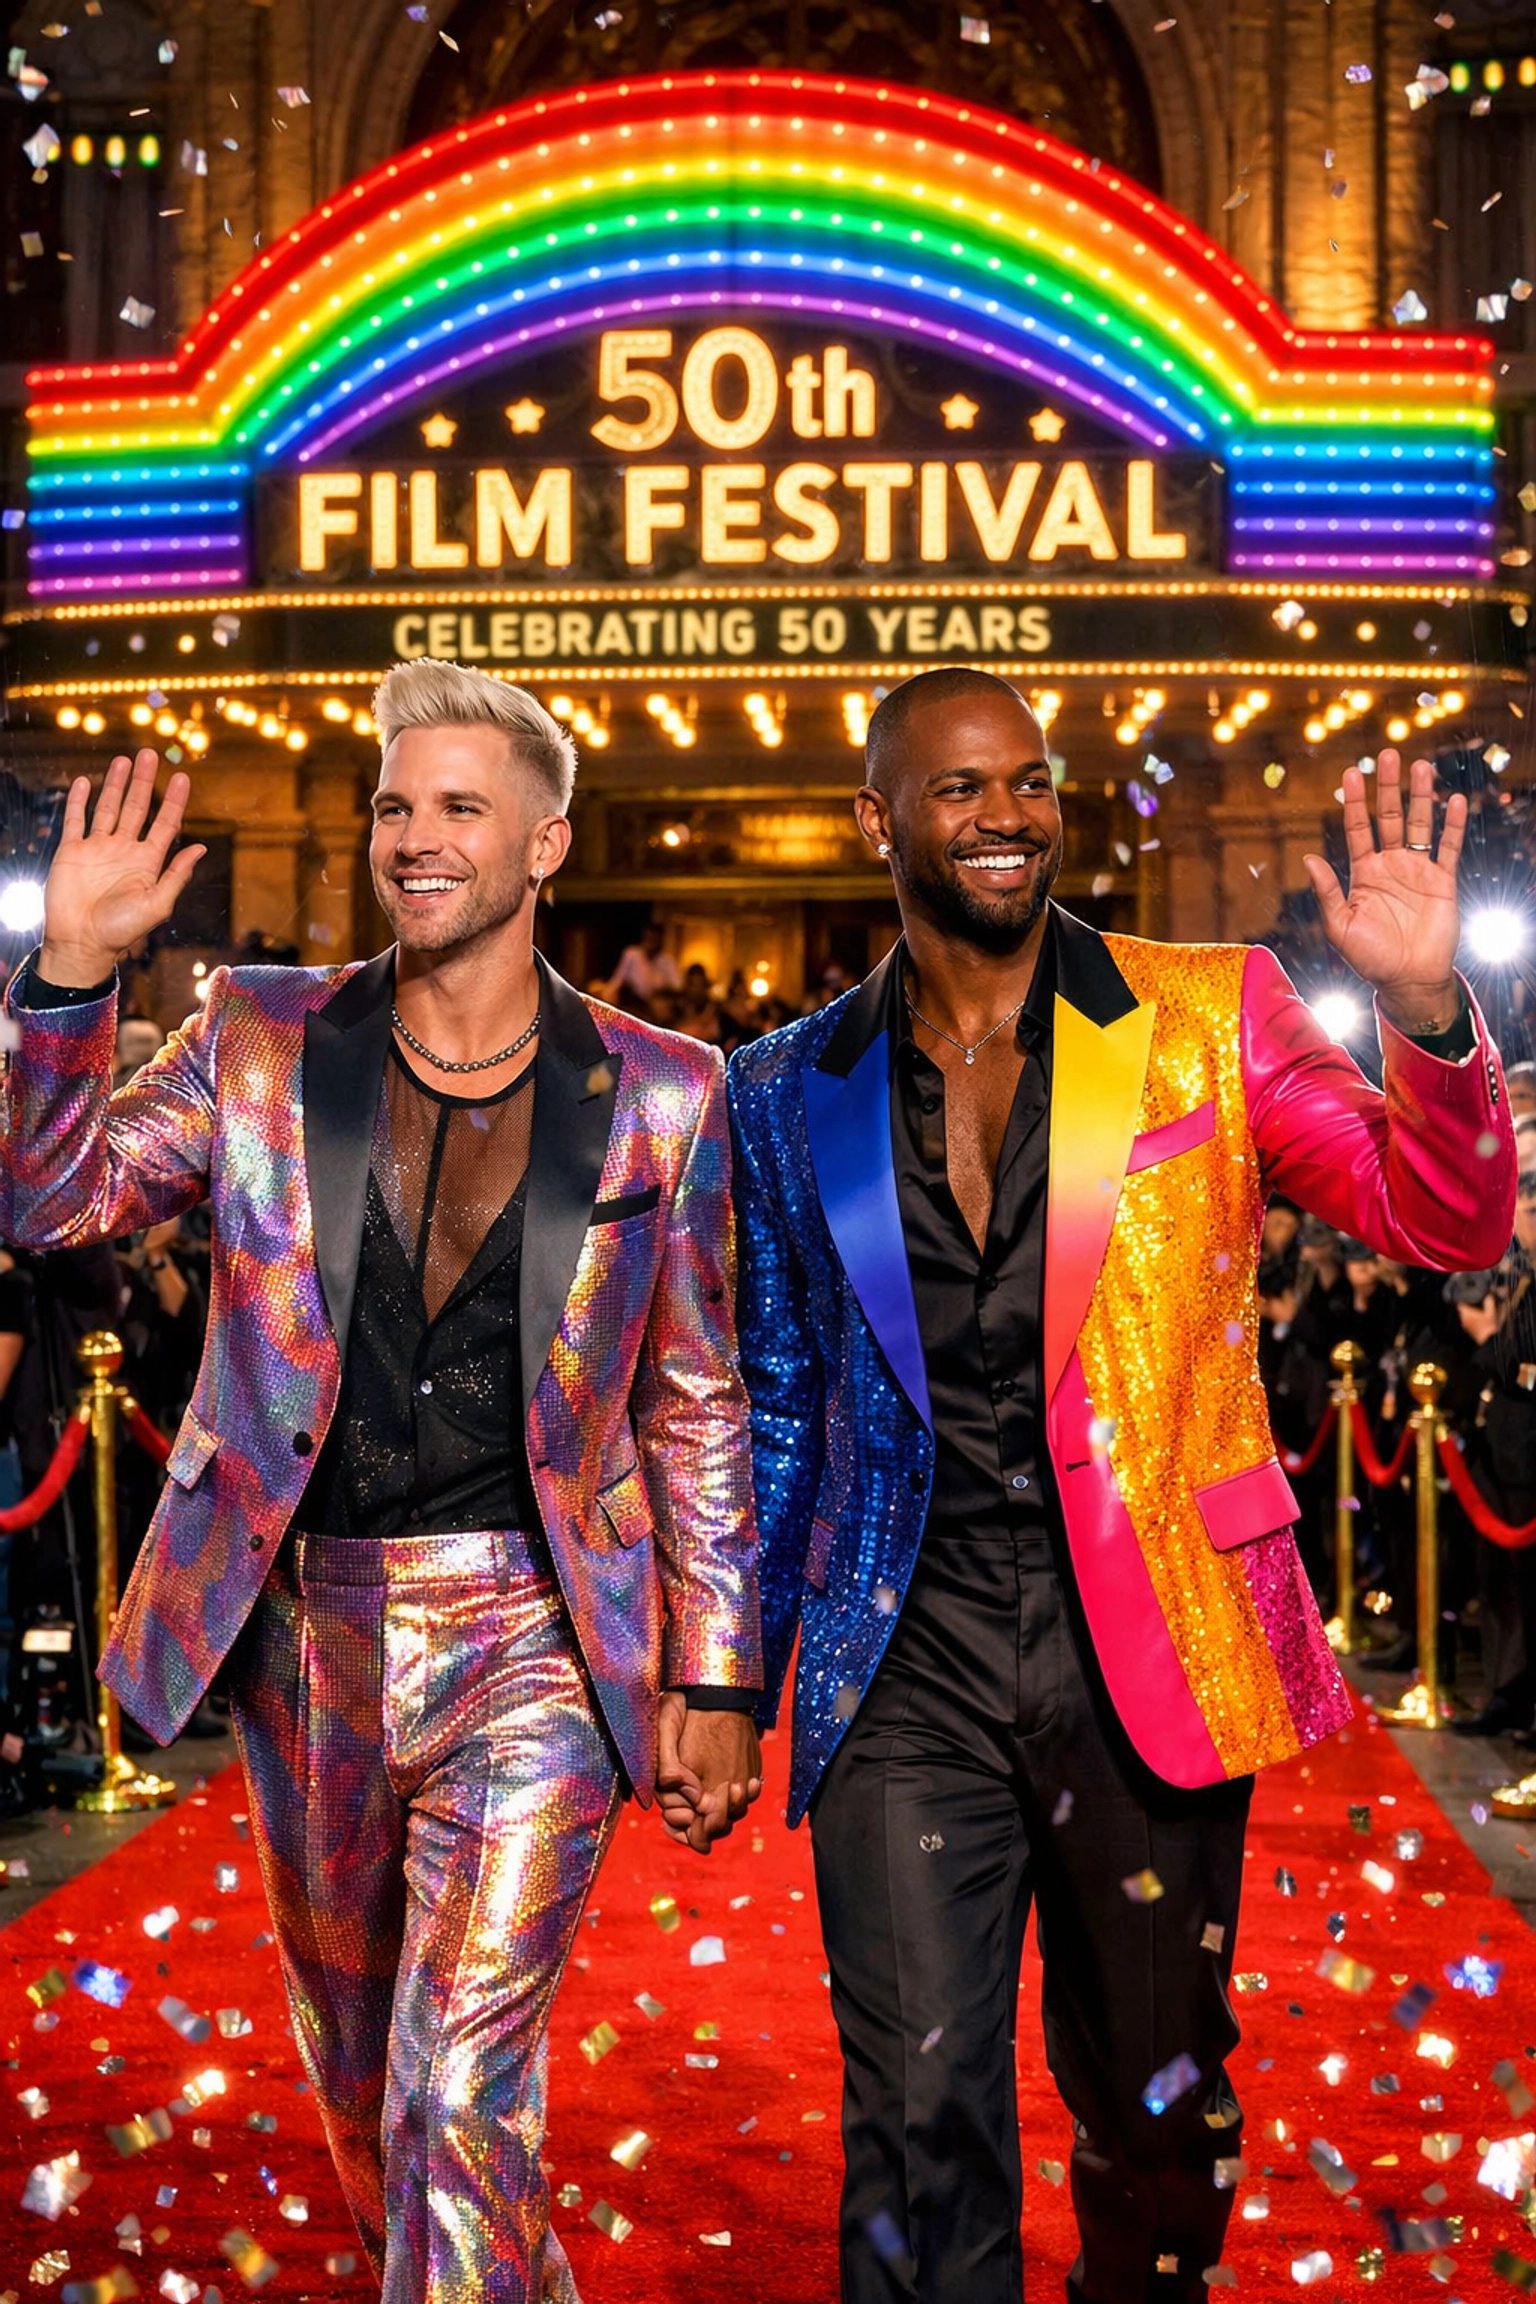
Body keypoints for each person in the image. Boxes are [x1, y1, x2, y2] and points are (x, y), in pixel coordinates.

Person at [726, 665, 1515, 2304]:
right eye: (962, 786)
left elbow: (1441, 1220)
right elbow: (777, 1402)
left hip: (1150, 1639)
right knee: (914, 2105)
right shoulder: (783, 1087)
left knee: (1157, 2094)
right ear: (879, 819)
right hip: (902, 1657)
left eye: (1031, 777)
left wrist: (1430, 1018)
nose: (1011, 812)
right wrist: (723, 1670)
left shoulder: (1204, 1009)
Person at [2, 659, 763, 2304]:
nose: (415, 837)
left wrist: (714, 1665)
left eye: (458, 806)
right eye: (394, 805)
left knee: (456, 2087)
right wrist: (66, 969)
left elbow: (695, 1395)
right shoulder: (255, 1038)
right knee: (366, 2091)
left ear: (546, 842)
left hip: (539, 1638)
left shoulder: (664, 1086)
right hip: (304, 1632)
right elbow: (51, 1205)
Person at [601, 918, 681, 1017]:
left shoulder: (668, 961)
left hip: (657, 1006)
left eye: (654, 939)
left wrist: (661, 992)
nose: (650, 943)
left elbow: (677, 986)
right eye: (648, 938)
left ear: (660, 940)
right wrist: (605, 996)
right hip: (635, 1004)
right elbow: (617, 980)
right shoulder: (631, 954)